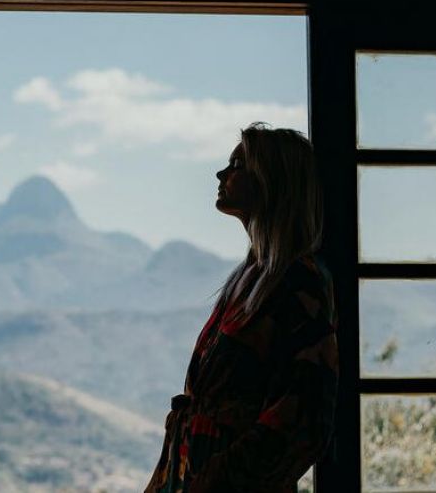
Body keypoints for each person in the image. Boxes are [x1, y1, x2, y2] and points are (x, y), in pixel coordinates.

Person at [144, 123, 339, 493]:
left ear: (271, 182)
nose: (222, 174)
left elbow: (305, 411)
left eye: (237, 165)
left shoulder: (300, 281)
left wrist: (223, 476)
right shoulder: (251, 278)